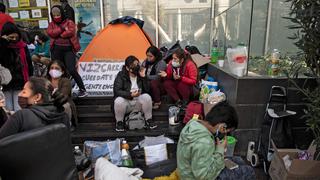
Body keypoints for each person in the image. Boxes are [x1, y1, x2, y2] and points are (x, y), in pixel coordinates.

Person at [177, 102, 255, 180]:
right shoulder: (205, 142)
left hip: (186, 172)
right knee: (248, 171)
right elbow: (204, 176)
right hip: (196, 177)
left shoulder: (193, 123)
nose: (225, 134)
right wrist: (220, 150)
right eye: (226, 131)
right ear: (222, 127)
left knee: (238, 160)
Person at [0, 77, 69, 139]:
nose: (19, 94)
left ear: (37, 97)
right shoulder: (62, 114)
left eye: (24, 92)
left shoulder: (21, 116)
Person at [47, 5, 87, 97]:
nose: (56, 17)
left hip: (68, 50)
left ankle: (82, 89)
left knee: (71, 69)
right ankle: (58, 90)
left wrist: (58, 34)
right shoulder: (51, 24)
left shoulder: (69, 22)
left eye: (58, 15)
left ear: (62, 14)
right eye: (54, 15)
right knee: (56, 70)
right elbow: (50, 33)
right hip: (56, 50)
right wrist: (61, 29)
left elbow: (70, 32)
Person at [113, 56, 156, 132]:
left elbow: (147, 90)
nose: (137, 66)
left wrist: (144, 77)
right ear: (127, 68)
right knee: (118, 100)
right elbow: (117, 91)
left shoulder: (140, 74)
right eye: (134, 65)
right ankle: (119, 122)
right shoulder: (121, 75)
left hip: (138, 103)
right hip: (127, 103)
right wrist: (130, 94)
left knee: (147, 97)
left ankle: (149, 120)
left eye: (137, 64)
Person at [0, 22, 33, 112]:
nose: (14, 39)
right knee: (7, 109)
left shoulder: (22, 46)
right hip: (5, 83)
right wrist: (3, 42)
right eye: (11, 37)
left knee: (19, 108)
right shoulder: (3, 46)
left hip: (20, 82)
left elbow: (29, 63)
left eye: (16, 37)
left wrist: (30, 77)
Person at [46, 60, 78, 126]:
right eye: (52, 68)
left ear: (62, 71)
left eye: (57, 68)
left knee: (65, 106)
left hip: (63, 102)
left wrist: (51, 92)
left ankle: (67, 124)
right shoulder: (45, 80)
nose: (53, 70)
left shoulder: (66, 81)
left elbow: (63, 95)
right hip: (47, 103)